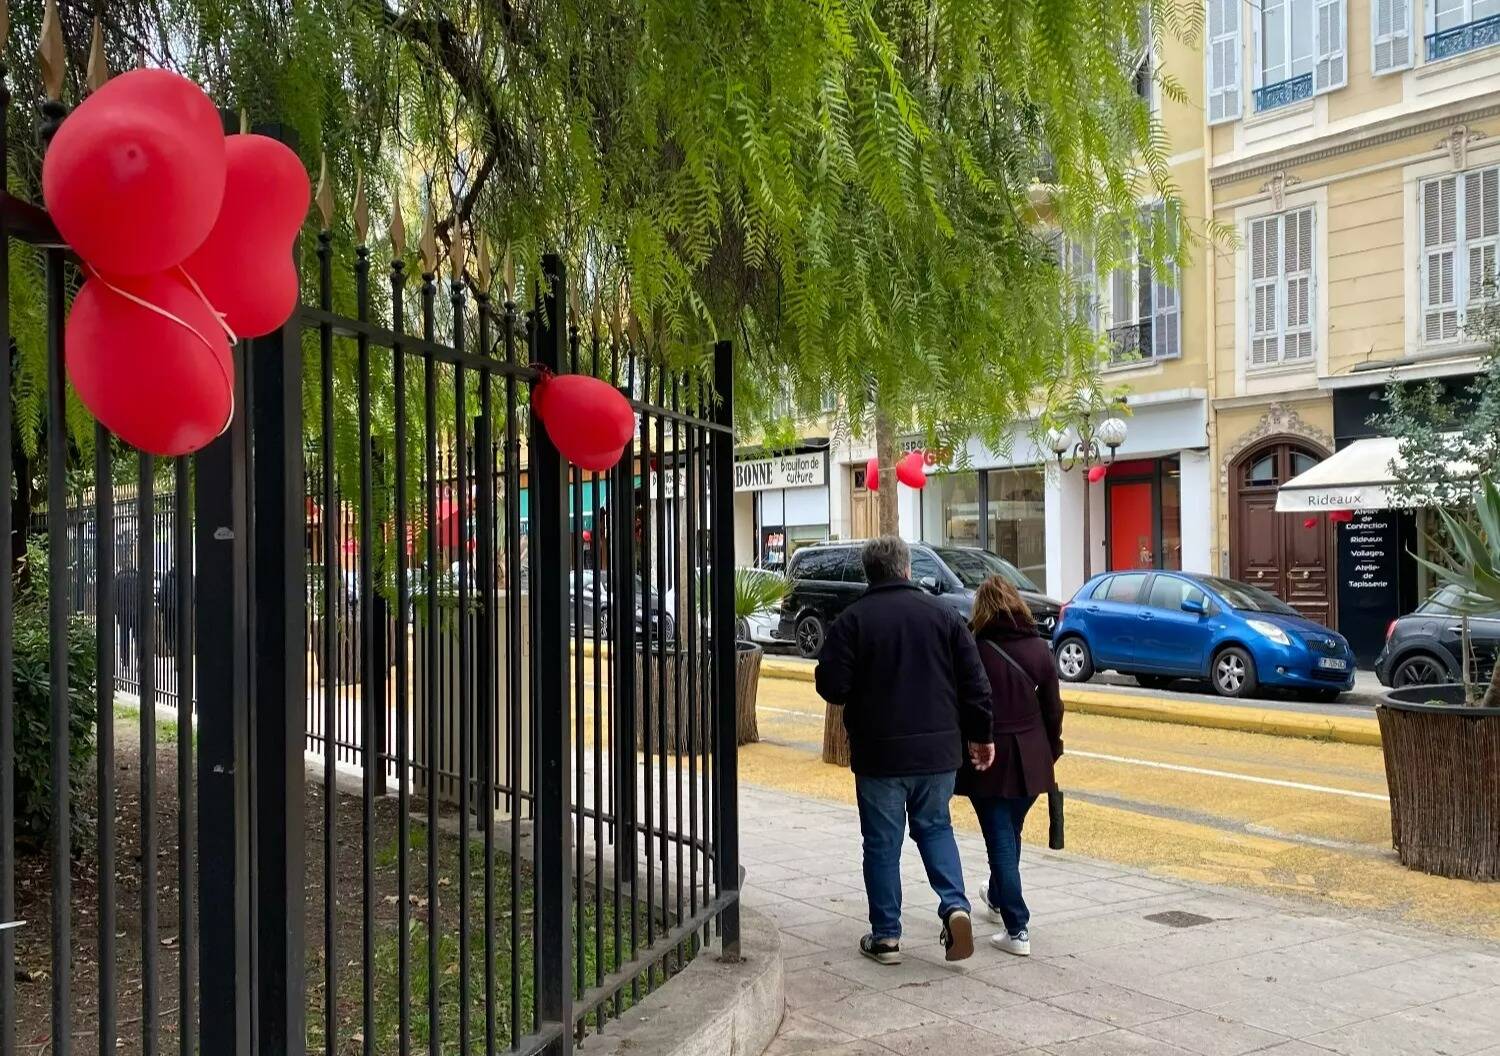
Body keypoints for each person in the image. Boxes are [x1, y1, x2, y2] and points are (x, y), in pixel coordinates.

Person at [814, 536, 995, 966]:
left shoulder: (853, 620)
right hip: (938, 753)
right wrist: (981, 735)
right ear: (907, 569)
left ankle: (887, 936)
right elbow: (975, 684)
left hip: (879, 755)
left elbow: (832, 686)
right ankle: (954, 906)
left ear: (868, 573)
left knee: (881, 844)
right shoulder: (945, 616)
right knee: (935, 828)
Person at [957, 575, 1064, 958]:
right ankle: (999, 896)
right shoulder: (1039, 649)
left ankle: (1017, 927)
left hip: (987, 759)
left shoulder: (973, 649)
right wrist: (1051, 751)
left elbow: (964, 706)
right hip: (1034, 759)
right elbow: (1054, 709)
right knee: (1010, 832)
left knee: (1000, 841)